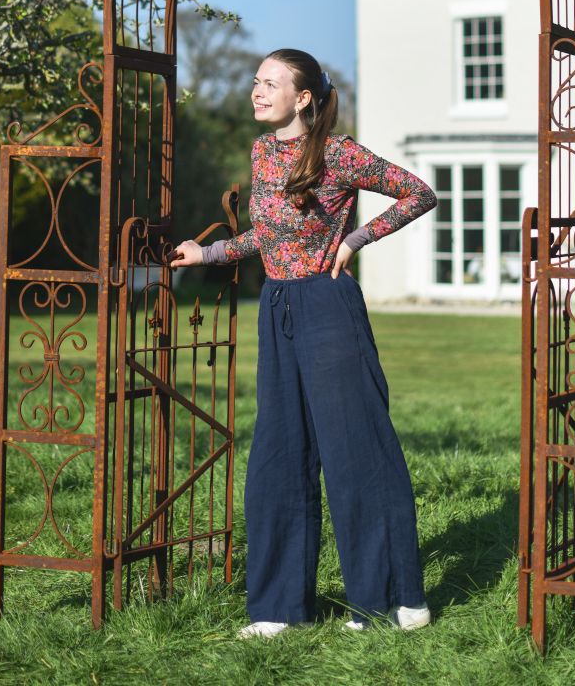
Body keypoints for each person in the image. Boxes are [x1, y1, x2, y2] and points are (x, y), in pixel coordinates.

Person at [170, 48, 437, 639]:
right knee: (278, 454)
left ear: (305, 96)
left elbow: (418, 193)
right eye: (255, 82)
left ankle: (391, 601)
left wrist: (358, 239)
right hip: (278, 306)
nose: (256, 92)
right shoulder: (264, 152)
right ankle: (279, 607)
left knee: (356, 453)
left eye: (269, 83)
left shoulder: (340, 154)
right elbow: (267, 234)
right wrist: (209, 252)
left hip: (328, 306)